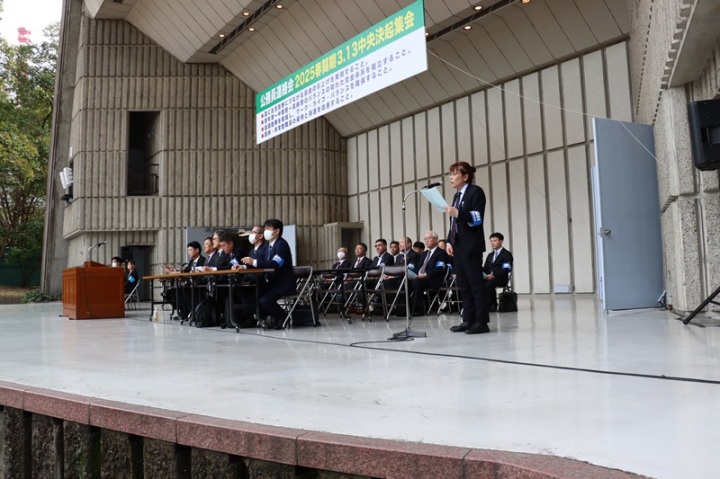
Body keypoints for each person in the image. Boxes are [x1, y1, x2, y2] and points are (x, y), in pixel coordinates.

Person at [445, 161, 490, 334]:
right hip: (458, 245)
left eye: (454, 174)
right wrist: (449, 241)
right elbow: (454, 223)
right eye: (450, 174)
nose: (451, 177)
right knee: (463, 285)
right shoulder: (457, 196)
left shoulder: (475, 191)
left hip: (471, 246)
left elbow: (477, 218)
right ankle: (467, 319)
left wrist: (458, 213)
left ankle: (482, 322)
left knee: (475, 284)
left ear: (465, 176)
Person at [240, 219, 296, 330]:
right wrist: (244, 266)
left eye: (268, 229)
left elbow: (275, 264)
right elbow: (261, 262)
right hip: (271, 283)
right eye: (265, 229)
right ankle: (268, 318)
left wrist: (253, 262)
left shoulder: (282, 245)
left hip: (282, 284)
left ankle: (283, 317)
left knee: (265, 300)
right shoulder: (268, 246)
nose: (266, 231)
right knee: (250, 297)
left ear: (277, 231)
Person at [410, 231, 448, 317]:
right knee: (405, 282)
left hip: (433, 279)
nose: (426, 241)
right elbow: (418, 267)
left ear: (436, 240)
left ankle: (418, 310)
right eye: (425, 239)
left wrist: (426, 275)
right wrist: (412, 274)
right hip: (420, 277)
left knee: (417, 282)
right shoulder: (424, 254)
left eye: (429, 238)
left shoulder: (441, 253)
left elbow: (439, 268)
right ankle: (405, 309)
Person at [483, 232, 514, 312]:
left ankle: (492, 304)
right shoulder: (490, 255)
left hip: (501, 278)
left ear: (501, 241)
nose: (492, 243)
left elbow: (506, 269)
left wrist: (494, 275)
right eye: (491, 241)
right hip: (489, 277)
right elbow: (485, 268)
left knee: (489, 284)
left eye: (495, 241)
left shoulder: (506, 254)